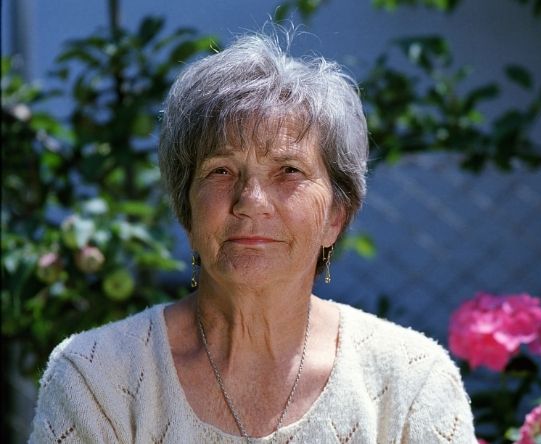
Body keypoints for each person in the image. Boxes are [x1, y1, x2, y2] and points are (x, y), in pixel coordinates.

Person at [29, 31, 476, 443]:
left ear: (336, 216)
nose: (251, 200)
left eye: (289, 171)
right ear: (187, 210)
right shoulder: (95, 376)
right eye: (221, 171)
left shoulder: (411, 381)